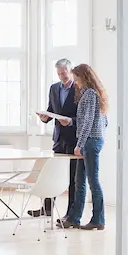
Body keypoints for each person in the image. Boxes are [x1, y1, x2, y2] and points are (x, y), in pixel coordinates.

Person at [61, 63, 109, 231]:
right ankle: (74, 218)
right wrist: (72, 122)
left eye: (76, 78)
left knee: (92, 181)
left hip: (89, 142)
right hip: (94, 140)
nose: (75, 81)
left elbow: (87, 122)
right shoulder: (96, 94)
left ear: (83, 77)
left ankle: (98, 219)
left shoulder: (88, 94)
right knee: (79, 180)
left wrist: (79, 144)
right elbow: (104, 121)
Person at [30, 59, 78, 218]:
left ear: (70, 71)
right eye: (59, 74)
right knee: (51, 174)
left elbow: (82, 116)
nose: (61, 77)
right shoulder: (54, 88)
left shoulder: (79, 88)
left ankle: (70, 214)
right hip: (58, 139)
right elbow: (52, 110)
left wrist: (70, 121)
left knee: (73, 178)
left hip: (74, 139)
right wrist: (44, 118)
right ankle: (47, 208)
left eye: (64, 74)